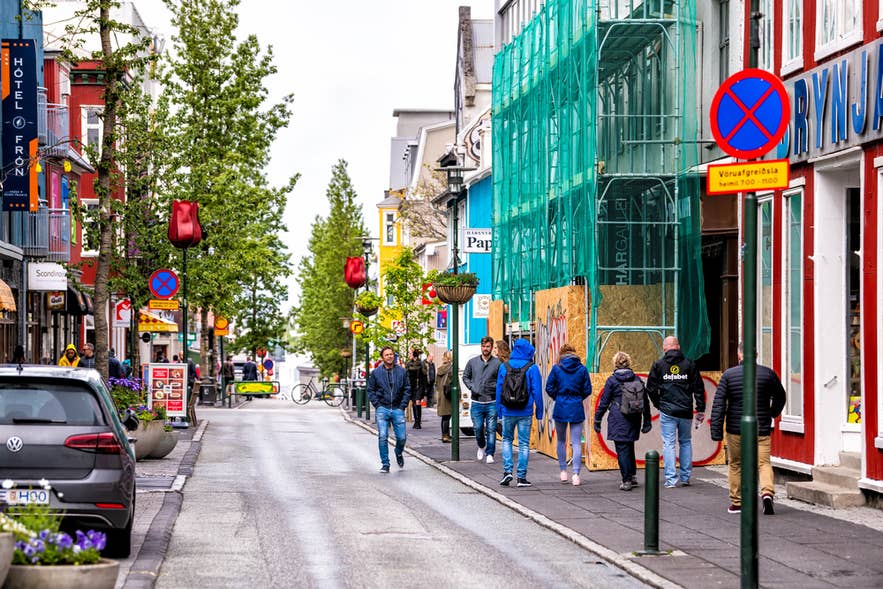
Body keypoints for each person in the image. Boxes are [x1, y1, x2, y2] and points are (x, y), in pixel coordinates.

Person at [710, 343, 786, 515]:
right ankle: (767, 493)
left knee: (736, 464)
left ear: (739, 355)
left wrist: (716, 431)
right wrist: (772, 413)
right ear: (757, 354)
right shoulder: (768, 374)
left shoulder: (728, 375)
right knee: (764, 463)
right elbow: (781, 396)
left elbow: (719, 404)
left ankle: (737, 502)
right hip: (761, 428)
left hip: (736, 429)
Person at [646, 336, 705, 488]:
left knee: (669, 444)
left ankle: (671, 479)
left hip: (667, 411)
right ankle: (685, 477)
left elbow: (651, 388)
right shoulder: (689, 364)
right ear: (678, 347)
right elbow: (698, 388)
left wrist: (659, 404)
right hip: (686, 410)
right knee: (685, 442)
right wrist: (700, 408)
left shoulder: (658, 365)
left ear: (665, 348)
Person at [594, 351, 652, 491]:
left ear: (615, 363)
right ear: (629, 362)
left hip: (618, 418)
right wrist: (647, 421)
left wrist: (597, 419)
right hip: (634, 418)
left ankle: (626, 480)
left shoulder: (612, 380)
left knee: (622, 449)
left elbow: (604, 402)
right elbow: (645, 401)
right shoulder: (637, 379)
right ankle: (632, 476)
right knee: (629, 446)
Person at [495, 338, 543, 487]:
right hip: (525, 411)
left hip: (508, 409)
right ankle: (521, 477)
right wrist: (539, 411)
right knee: (523, 443)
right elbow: (537, 391)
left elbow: (499, 390)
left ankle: (507, 471)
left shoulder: (504, 366)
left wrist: (499, 410)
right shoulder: (532, 368)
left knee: (507, 440)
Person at [545, 343, 592, 486]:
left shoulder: (556, 368)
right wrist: (578, 397)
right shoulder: (582, 369)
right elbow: (587, 389)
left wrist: (557, 397)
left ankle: (563, 471)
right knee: (576, 442)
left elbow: (549, 387)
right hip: (576, 406)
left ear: (562, 353)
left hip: (560, 406)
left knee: (561, 441)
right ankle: (576, 474)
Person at [367, 346, 411, 472]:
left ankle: (398, 452)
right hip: (382, 408)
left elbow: (407, 389)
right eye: (386, 355)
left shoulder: (402, 371)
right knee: (382, 436)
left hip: (398, 408)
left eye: (391, 354)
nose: (389, 356)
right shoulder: (376, 373)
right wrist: (377, 405)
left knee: (402, 437)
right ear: (382, 357)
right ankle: (385, 464)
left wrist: (403, 405)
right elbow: (371, 390)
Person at [463, 336, 502, 464]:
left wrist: (494, 387)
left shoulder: (497, 363)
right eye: (484, 346)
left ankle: (490, 453)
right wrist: (472, 387)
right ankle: (481, 445)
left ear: (491, 348)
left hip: (491, 401)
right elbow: (465, 377)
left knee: (491, 429)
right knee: (478, 428)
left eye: (488, 347)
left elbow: (501, 380)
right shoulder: (472, 362)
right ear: (481, 347)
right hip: (477, 401)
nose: (486, 349)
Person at [405, 348, 428, 429]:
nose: (409, 355)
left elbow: (425, 376)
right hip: (412, 386)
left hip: (419, 385)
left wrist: (425, 389)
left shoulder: (421, 364)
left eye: (410, 353)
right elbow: (406, 375)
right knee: (414, 402)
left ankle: (418, 421)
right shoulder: (408, 363)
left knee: (417, 401)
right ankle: (416, 421)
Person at [434, 351, 454, 443]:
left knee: (444, 416)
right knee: (447, 416)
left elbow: (437, 384)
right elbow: (454, 382)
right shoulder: (451, 368)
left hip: (442, 394)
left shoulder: (440, 369)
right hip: (449, 394)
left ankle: (444, 435)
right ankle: (446, 436)